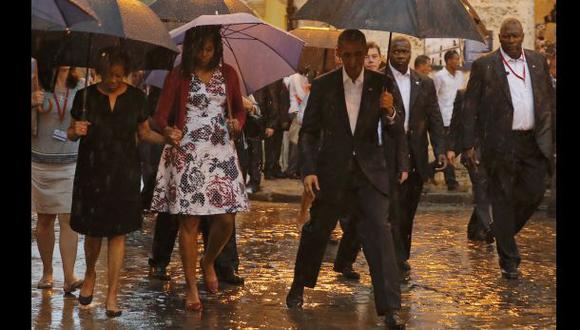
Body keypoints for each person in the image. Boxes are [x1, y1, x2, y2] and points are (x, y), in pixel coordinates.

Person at [286, 29, 409, 328]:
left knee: (380, 232)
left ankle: (391, 308)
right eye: (348, 55)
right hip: (332, 170)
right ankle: (299, 285)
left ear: (365, 52)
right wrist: (309, 169)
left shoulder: (382, 83)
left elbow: (396, 127)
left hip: (370, 172)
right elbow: (309, 132)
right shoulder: (325, 85)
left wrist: (389, 111)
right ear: (340, 54)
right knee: (317, 230)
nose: (354, 61)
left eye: (359, 54)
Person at [150, 25, 248, 311]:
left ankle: (208, 261)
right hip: (187, 151)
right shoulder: (178, 75)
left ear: (216, 48)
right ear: (191, 48)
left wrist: (237, 123)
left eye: (209, 48)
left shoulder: (228, 74)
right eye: (200, 48)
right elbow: (159, 115)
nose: (205, 54)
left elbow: (239, 110)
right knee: (189, 221)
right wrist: (168, 131)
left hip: (220, 151)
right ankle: (192, 286)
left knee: (227, 218)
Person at [68, 47, 166, 317]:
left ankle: (112, 293)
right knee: (93, 232)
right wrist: (75, 132)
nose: (114, 80)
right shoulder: (84, 97)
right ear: (100, 73)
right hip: (92, 171)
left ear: (126, 74)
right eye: (110, 75)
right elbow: (71, 132)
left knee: (118, 233)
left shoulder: (136, 98)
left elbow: (144, 133)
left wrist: (168, 139)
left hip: (125, 172)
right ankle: (90, 274)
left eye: (119, 76)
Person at [462, 18, 555, 279]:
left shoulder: (537, 61)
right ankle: (509, 260)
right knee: (501, 198)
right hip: (499, 142)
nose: (511, 41)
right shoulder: (485, 65)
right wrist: (468, 144)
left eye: (515, 36)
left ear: (523, 35)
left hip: (532, 141)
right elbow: (469, 107)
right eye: (506, 37)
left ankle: (501, 231)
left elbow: (548, 100)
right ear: (500, 37)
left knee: (535, 192)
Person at [384, 36, 447, 277]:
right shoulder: (380, 80)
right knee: (393, 209)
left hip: (417, 154)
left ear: (411, 53)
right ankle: (394, 258)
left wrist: (440, 149)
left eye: (405, 51)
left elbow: (435, 118)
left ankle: (402, 254)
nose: (401, 55)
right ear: (390, 52)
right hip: (389, 154)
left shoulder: (424, 83)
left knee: (409, 209)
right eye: (397, 51)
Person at [32, 64, 84, 293]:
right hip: (40, 163)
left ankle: (70, 276)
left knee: (68, 219)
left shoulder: (81, 86)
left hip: (70, 162)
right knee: (44, 220)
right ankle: (47, 272)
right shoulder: (36, 83)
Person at [447, 90, 494, 243]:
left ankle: (475, 228)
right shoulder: (463, 95)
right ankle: (488, 228)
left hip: (493, 150)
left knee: (487, 189)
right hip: (471, 150)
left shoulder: (499, 92)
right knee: (481, 186)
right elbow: (455, 124)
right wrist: (452, 149)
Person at [432, 50, 465, 191]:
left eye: (458, 59)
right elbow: (433, 97)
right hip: (444, 118)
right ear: (448, 61)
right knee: (446, 151)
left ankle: (428, 169)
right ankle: (451, 183)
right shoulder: (439, 76)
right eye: (455, 59)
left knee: (458, 147)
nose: (457, 62)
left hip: (458, 119)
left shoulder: (460, 75)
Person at [264, 79, 291, 179]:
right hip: (274, 121)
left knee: (277, 146)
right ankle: (269, 170)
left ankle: (275, 168)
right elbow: (273, 104)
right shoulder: (272, 84)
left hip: (279, 121)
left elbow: (283, 103)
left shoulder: (281, 84)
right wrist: (271, 124)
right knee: (271, 147)